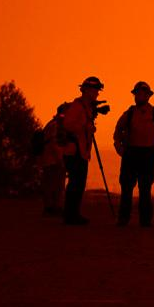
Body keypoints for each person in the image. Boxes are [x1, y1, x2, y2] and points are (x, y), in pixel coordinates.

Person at [112, 81, 154, 227]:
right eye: (137, 94)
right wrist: (119, 147)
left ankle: (145, 221)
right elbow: (117, 130)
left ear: (148, 96)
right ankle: (123, 219)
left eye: (142, 93)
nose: (138, 96)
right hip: (131, 154)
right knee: (126, 188)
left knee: (145, 189)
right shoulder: (129, 113)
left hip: (148, 155)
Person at [61, 76, 106, 225]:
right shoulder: (77, 106)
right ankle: (70, 216)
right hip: (75, 152)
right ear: (87, 91)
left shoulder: (86, 107)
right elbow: (68, 124)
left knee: (78, 184)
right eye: (96, 90)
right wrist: (86, 127)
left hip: (80, 151)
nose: (97, 94)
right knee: (76, 184)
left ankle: (73, 214)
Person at [37, 103, 68, 216]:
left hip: (49, 160)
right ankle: (53, 208)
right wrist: (61, 160)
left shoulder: (51, 124)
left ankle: (52, 207)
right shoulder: (55, 125)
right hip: (52, 160)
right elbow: (54, 145)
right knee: (55, 185)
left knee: (52, 184)